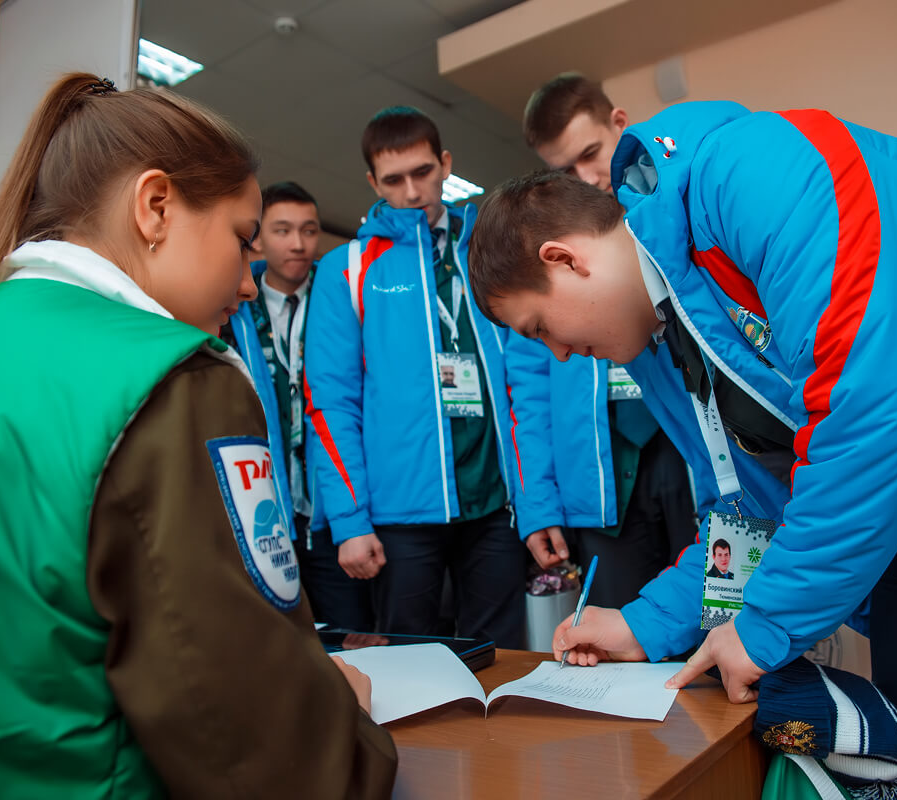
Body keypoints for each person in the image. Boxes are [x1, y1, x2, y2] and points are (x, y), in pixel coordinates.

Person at [466, 101, 897, 799]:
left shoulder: (754, 171)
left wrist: (768, 623)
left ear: (563, 258)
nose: (560, 356)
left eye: (539, 328)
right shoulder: (660, 341)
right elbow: (753, 504)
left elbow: (887, 410)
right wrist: (645, 623)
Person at [0, 74, 396, 797]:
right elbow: (271, 760)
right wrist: (344, 721)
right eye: (243, 239)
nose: (249, 282)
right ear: (156, 206)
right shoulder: (174, 382)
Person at [304, 106, 526, 648]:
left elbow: (526, 375)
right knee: (410, 663)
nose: (411, 191)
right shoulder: (346, 268)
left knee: (501, 657)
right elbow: (330, 405)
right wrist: (350, 521)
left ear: (445, 164)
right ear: (373, 183)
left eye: (423, 172)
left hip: (494, 502)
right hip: (400, 515)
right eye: (393, 180)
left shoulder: (486, 249)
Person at [508, 73, 699, 612]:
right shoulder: (536, 261)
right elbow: (528, 395)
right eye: (564, 171)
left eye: (591, 154)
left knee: (714, 605)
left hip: (684, 444)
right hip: (599, 469)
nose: (587, 179)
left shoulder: (678, 207)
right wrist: (538, 504)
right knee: (619, 623)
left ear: (619, 123)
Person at [223, 180, 373, 630]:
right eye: (283, 230)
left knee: (351, 633)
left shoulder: (342, 298)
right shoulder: (234, 306)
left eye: (309, 230)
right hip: (265, 507)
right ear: (257, 238)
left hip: (328, 508)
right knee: (273, 635)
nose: (298, 244)